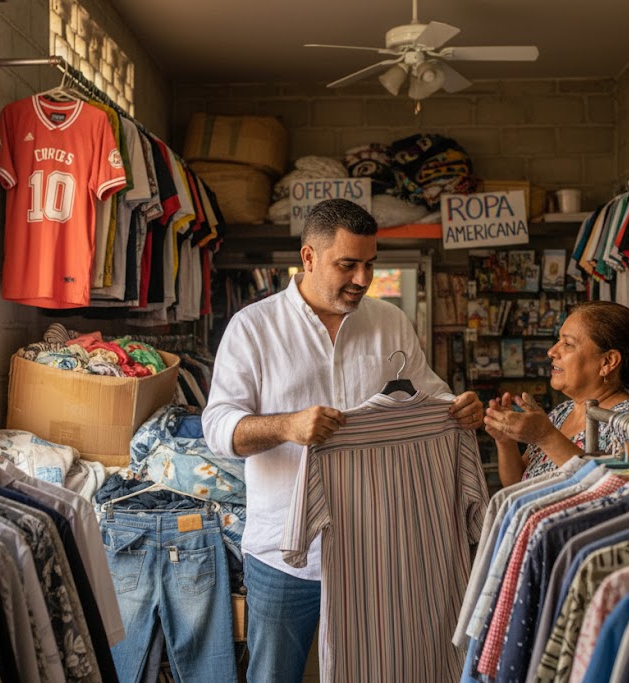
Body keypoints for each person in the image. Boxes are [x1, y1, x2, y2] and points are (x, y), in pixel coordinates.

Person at [202, 198, 485, 683]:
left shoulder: (390, 322)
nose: (361, 278)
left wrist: (459, 407)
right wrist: (286, 426)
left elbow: (428, 394)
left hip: (378, 547)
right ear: (308, 257)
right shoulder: (253, 327)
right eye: (347, 264)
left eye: (370, 265)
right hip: (282, 555)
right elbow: (219, 429)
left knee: (378, 668)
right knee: (275, 676)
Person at [484, 300, 629, 487]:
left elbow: (621, 492)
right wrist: (505, 442)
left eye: (568, 344)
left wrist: (546, 437)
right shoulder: (561, 413)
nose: (551, 351)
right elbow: (517, 484)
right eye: (558, 340)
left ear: (608, 362)